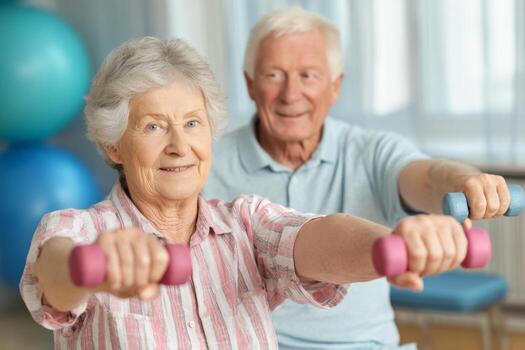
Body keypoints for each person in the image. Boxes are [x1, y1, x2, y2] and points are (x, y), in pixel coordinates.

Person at [19, 36, 471, 350]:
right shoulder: (77, 228)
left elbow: (318, 237)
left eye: (192, 123)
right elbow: (54, 277)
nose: (180, 145)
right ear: (112, 144)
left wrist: (393, 244)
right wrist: (92, 269)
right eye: (154, 126)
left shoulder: (245, 224)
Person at [202, 7, 512, 350]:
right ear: (250, 84)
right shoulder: (204, 163)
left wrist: (466, 182)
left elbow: (428, 179)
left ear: (335, 87)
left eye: (308, 76)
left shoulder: (371, 150)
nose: (291, 94)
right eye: (274, 75)